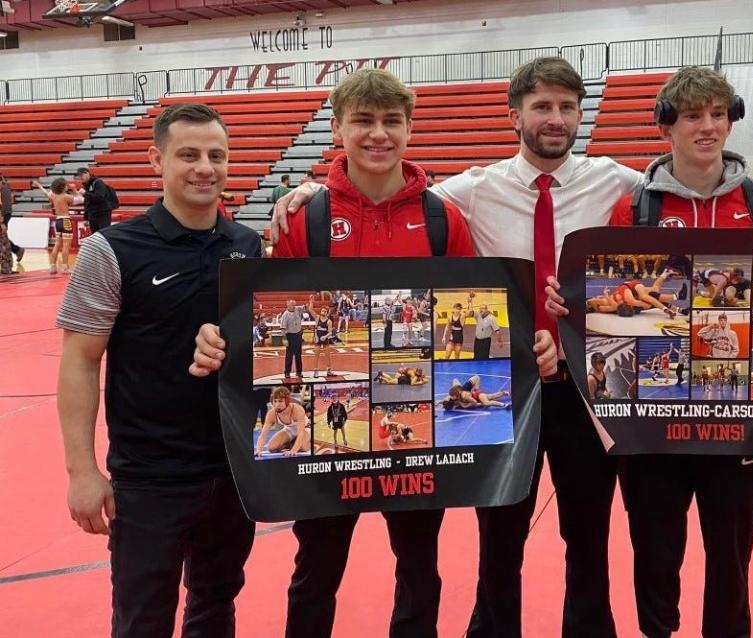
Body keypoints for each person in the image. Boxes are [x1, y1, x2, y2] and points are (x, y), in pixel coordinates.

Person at [271, 56, 753, 638]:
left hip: (586, 386)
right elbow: (395, 184)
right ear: (514, 115)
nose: (555, 119)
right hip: (511, 389)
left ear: (581, 115)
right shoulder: (468, 194)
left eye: (566, 107)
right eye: (541, 107)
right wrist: (306, 190)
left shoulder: (620, 185)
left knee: (588, 536)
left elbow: (681, 177)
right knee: (499, 536)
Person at [188, 68, 558, 638]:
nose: (378, 134)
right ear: (337, 128)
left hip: (415, 432)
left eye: (392, 122)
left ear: (410, 129)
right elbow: (265, 313)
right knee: (316, 567)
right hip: (324, 439)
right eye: (363, 121)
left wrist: (523, 342)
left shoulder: (443, 219)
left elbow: (467, 314)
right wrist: (224, 338)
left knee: (419, 568)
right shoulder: (304, 218)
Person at [546, 65, 753, 638]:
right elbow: (611, 296)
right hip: (654, 423)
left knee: (731, 560)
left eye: (719, 115)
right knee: (655, 556)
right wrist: (569, 298)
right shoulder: (634, 210)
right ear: (667, 129)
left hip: (739, 423)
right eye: (694, 116)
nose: (708, 127)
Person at [56, 103, 260, 637]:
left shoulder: (248, 245)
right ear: (156, 160)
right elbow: (80, 361)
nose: (204, 168)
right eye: (188, 154)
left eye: (217, 156)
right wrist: (82, 472)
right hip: (149, 477)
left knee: (216, 605)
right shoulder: (112, 250)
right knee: (142, 618)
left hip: (232, 469)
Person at [34, 177, 77, 274]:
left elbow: (45, 192)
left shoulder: (52, 195)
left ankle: (52, 266)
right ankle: (65, 267)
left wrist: (39, 186)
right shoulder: (66, 196)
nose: (67, 186)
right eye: (66, 185)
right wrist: (74, 190)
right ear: (62, 187)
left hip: (57, 221)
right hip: (65, 220)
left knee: (57, 244)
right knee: (66, 245)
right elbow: (79, 199)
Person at [256, 386, 310, 456]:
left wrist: (293, 451)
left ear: (287, 401)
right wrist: (258, 450)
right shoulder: (272, 413)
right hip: (289, 429)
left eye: (280, 401)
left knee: (302, 447)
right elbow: (263, 435)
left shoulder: (297, 410)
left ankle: (310, 441)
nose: (277, 405)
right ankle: (291, 443)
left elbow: (301, 433)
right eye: (275, 401)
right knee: (271, 448)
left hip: (305, 428)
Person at [75, 167, 114, 232]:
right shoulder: (86, 185)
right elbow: (87, 202)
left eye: (81, 175)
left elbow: (100, 197)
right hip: (92, 215)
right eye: (79, 176)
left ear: (87, 173)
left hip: (102, 214)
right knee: (94, 236)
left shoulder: (98, 182)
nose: (80, 178)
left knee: (104, 235)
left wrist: (85, 193)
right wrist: (86, 218)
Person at [307, 295, 335, 378]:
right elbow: (310, 310)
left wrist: (325, 336)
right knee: (316, 355)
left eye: (324, 312)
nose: (323, 313)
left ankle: (329, 370)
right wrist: (311, 302)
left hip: (325, 339)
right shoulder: (317, 318)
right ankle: (315, 371)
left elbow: (330, 333)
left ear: (327, 313)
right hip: (318, 339)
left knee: (327, 355)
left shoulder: (329, 321)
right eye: (322, 311)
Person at [1, 174, 25, 268]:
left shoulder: (4, 188)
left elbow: (6, 206)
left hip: (3, 214)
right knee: (2, 238)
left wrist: (2, 220)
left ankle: (15, 251)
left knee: (2, 238)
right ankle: (16, 250)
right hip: (4, 214)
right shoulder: (4, 186)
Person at [278, 298, 306, 379]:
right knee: (289, 355)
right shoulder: (285, 315)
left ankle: (299, 372)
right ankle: (287, 372)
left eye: (295, 304)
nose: (294, 306)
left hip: (298, 335)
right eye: (292, 305)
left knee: (298, 355)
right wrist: (284, 339)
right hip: (290, 336)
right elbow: (283, 328)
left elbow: (306, 307)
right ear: (288, 304)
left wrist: (311, 301)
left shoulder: (297, 309)